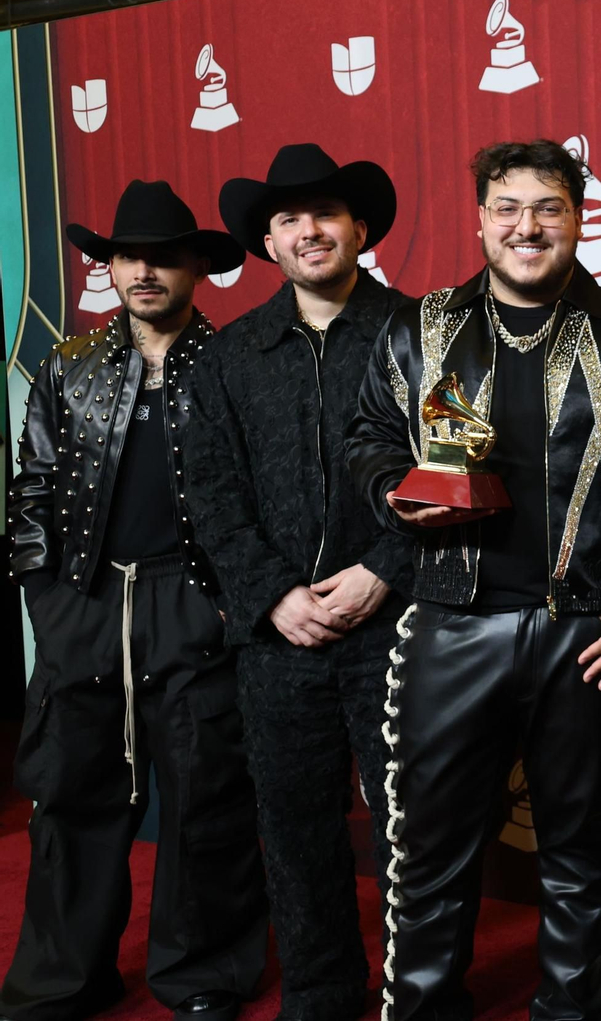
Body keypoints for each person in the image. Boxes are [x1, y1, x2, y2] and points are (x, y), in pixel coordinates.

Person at [346, 139, 601, 1021]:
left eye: (547, 208)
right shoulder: (420, 327)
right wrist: (395, 494)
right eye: (507, 207)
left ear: (578, 219)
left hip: (590, 632)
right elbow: (368, 440)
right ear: (480, 220)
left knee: (582, 855)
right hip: (451, 624)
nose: (526, 226)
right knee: (428, 853)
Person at [4, 180, 267, 1021]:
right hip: (85, 601)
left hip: (192, 601)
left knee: (206, 801)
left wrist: (232, 605)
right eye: (128, 257)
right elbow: (32, 492)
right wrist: (49, 605)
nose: (144, 272)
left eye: (163, 257)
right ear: (109, 268)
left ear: (197, 269)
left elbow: (267, 502)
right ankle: (61, 982)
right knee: (70, 799)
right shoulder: (68, 364)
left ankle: (202, 978)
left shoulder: (234, 365)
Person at [186, 143, 412, 1021]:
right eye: (289, 220)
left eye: (325, 213)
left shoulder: (423, 333)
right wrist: (274, 594)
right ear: (269, 243)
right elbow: (212, 493)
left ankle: (422, 993)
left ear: (360, 227)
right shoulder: (231, 355)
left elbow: (460, 471)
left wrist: (384, 570)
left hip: (399, 625)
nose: (309, 230)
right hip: (278, 637)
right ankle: (321, 996)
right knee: (294, 827)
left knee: (415, 826)